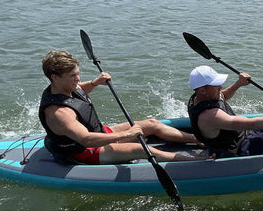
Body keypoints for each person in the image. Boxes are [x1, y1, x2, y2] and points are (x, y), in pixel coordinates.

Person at [40, 50, 199, 164]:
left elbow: (81, 88)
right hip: (87, 151)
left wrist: (95, 82)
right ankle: (194, 161)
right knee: (140, 149)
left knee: (152, 124)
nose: (78, 78)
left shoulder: (67, 87)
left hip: (100, 133)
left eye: (77, 73)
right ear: (54, 77)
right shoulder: (58, 113)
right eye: (72, 76)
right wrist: (127, 134)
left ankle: (198, 140)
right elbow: (86, 139)